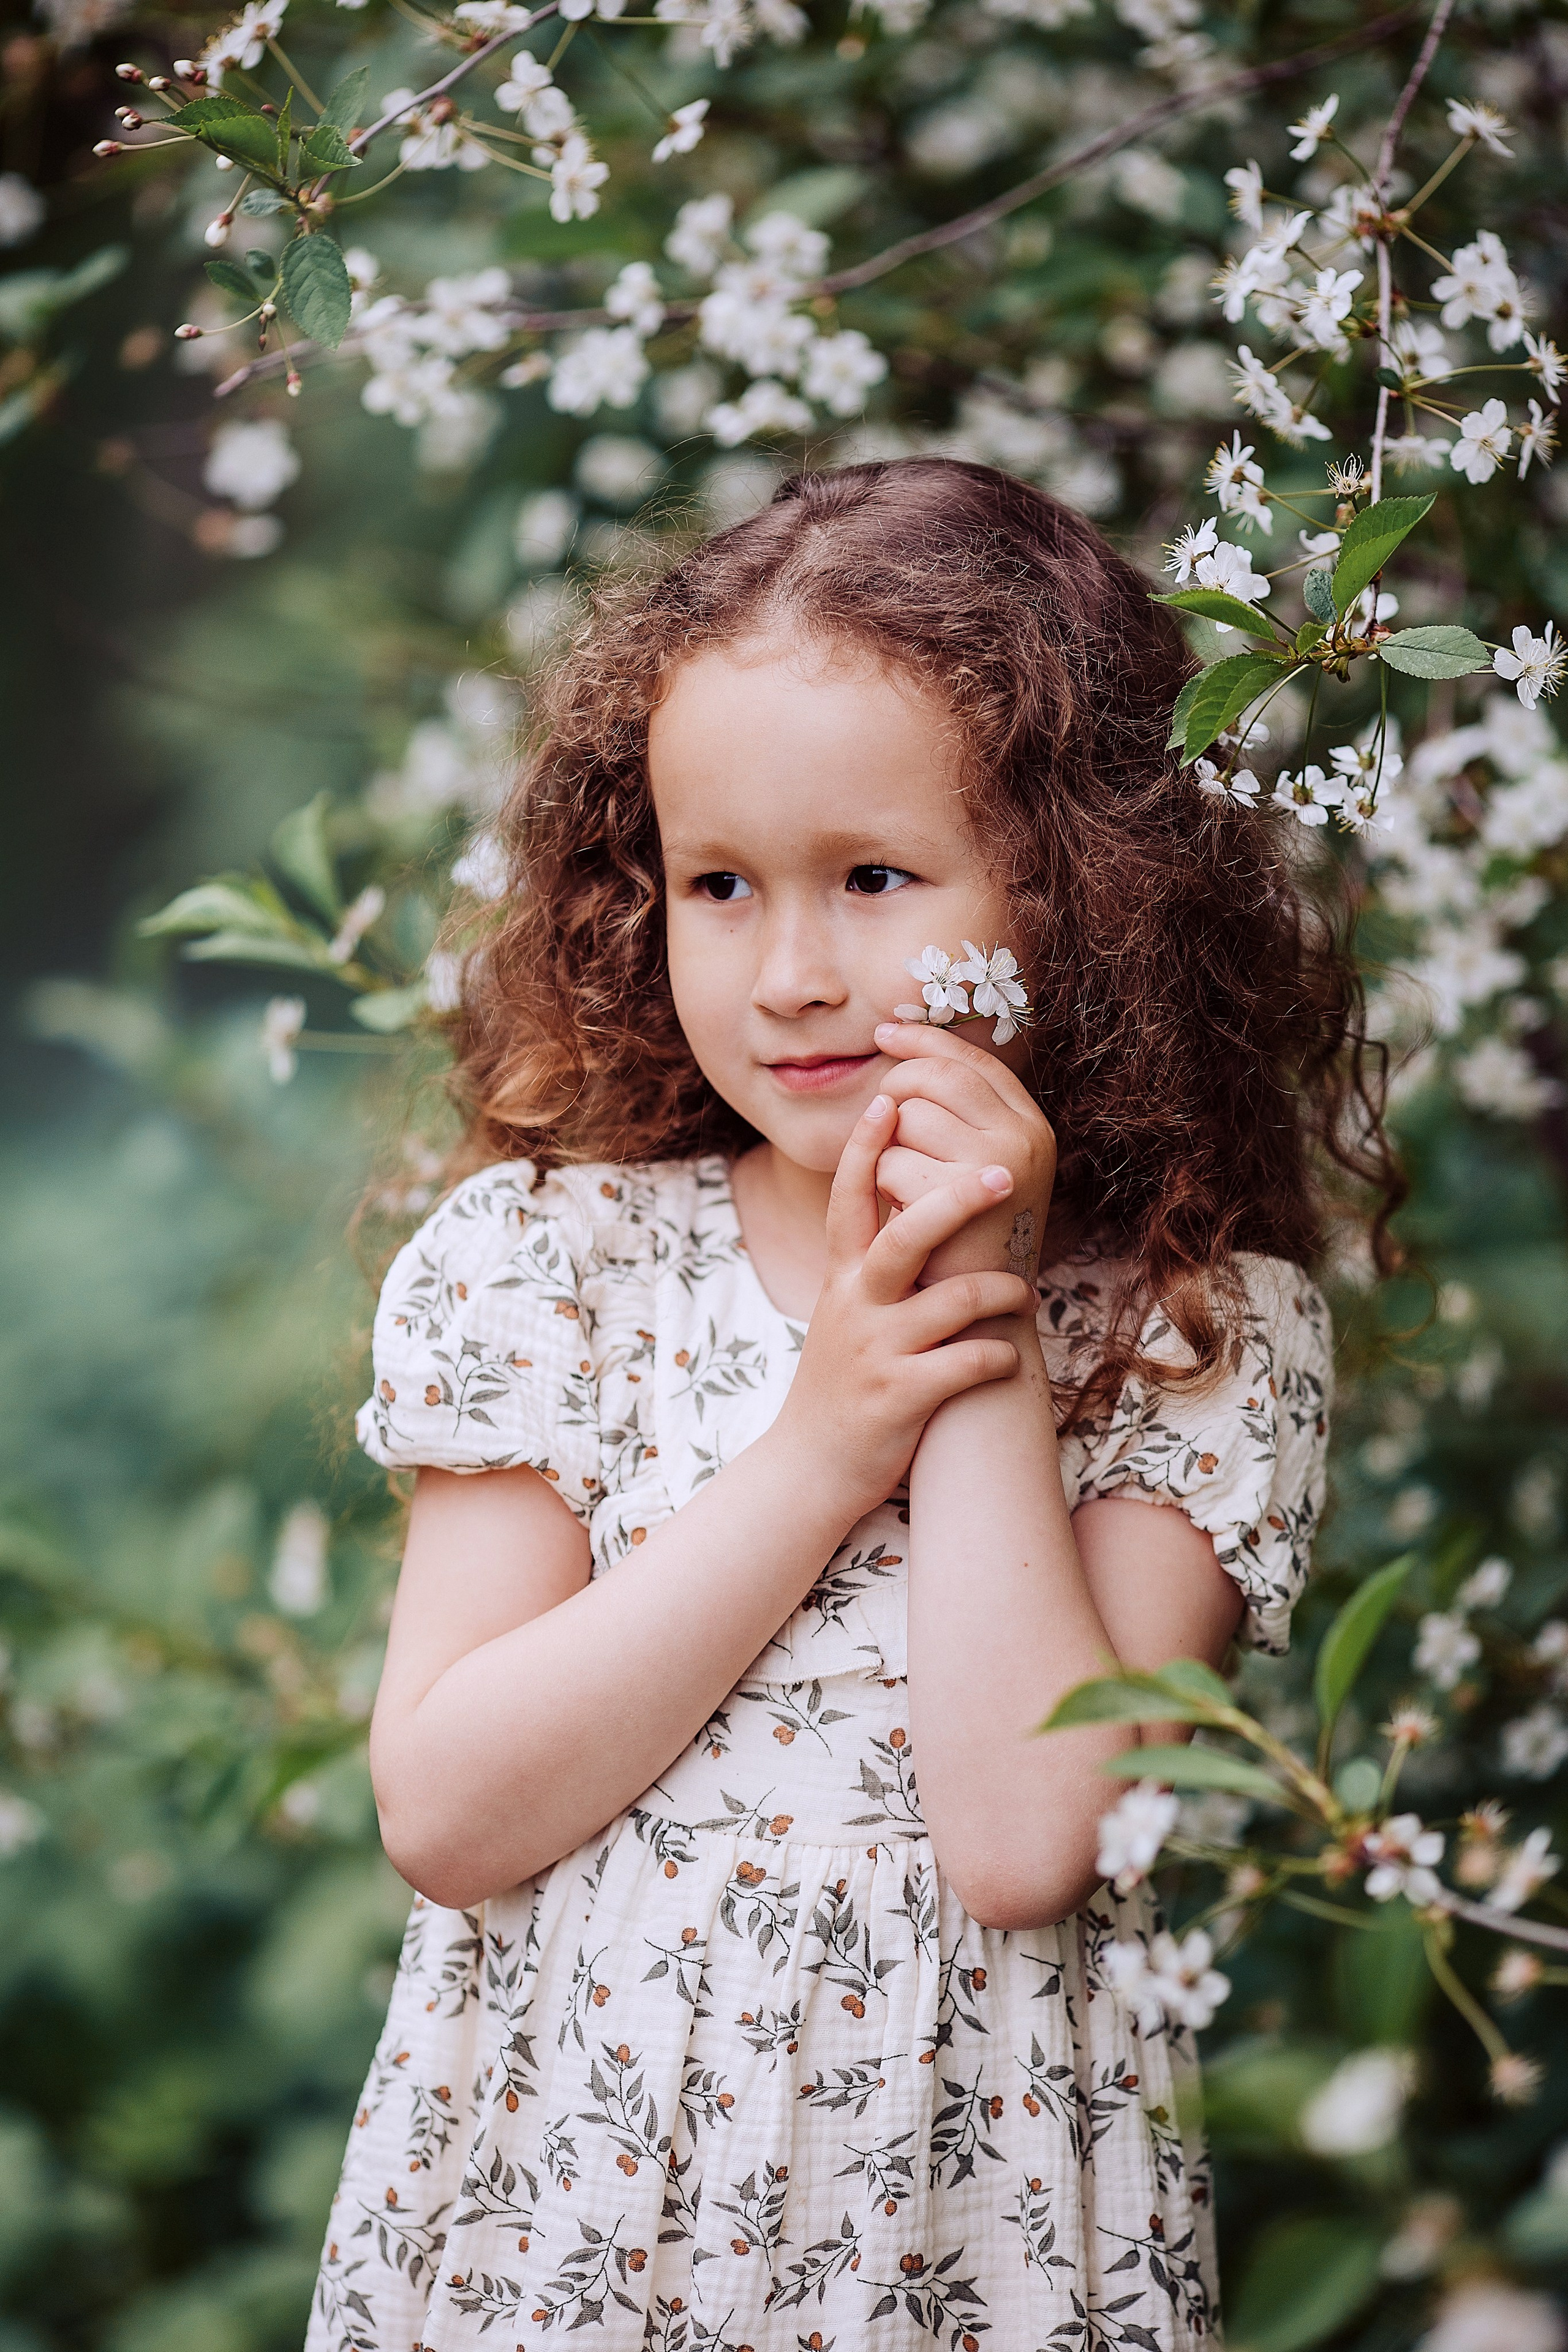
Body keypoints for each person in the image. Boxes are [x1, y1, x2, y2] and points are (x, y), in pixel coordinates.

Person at [306, 458, 1398, 2350]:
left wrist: (974, 1302)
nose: (795, 976)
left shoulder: (1193, 1332)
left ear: (1086, 894)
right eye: (720, 886)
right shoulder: (555, 1266)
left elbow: (1028, 1840)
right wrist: (817, 1450)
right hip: (577, 2229)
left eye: (876, 881)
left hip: (963, 2240)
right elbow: (451, 1811)